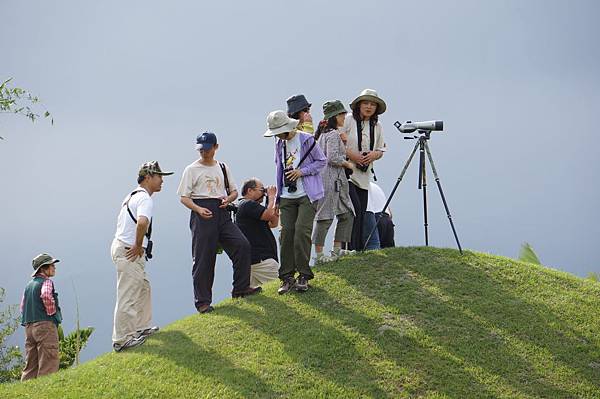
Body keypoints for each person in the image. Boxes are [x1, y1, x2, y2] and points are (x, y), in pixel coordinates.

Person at [178, 132, 260, 314]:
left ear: (215, 147)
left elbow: (234, 192)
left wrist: (227, 199)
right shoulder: (191, 169)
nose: (204, 153)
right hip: (201, 212)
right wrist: (198, 209)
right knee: (204, 258)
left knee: (242, 245)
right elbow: (184, 197)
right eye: (201, 149)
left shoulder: (222, 167)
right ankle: (203, 302)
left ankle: (241, 288)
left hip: (221, 210)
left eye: (207, 149)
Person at [111, 161, 172, 352]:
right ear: (148, 177)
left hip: (124, 248)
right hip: (129, 251)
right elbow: (142, 222)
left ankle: (141, 327)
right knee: (127, 294)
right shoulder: (145, 199)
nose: (162, 180)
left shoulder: (131, 195)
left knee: (143, 287)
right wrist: (138, 245)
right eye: (159, 176)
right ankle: (122, 339)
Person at [263, 110, 326, 294]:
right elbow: (279, 169)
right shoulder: (279, 144)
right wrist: (277, 199)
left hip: (307, 193)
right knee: (286, 234)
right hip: (287, 195)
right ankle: (286, 277)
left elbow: (322, 161)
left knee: (301, 232)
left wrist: (302, 172)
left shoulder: (306, 139)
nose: (278, 136)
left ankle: (304, 275)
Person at [343, 89, 387, 251]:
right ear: (359, 105)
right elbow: (335, 143)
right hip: (346, 173)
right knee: (352, 210)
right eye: (366, 103)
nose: (369, 107)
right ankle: (347, 248)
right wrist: (353, 155)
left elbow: (381, 149)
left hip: (365, 175)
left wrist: (373, 155)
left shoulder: (377, 126)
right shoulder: (348, 120)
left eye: (373, 104)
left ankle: (358, 249)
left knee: (362, 211)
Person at [312, 100, 355, 263]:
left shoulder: (324, 134)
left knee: (347, 214)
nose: (344, 117)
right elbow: (332, 158)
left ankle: (337, 251)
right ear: (334, 116)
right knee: (325, 217)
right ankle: (319, 256)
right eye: (341, 114)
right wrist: (347, 163)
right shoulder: (332, 134)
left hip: (336, 181)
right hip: (330, 181)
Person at [20, 253, 62, 381]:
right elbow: (46, 296)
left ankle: (26, 390)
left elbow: (22, 306)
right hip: (44, 325)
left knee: (31, 362)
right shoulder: (47, 282)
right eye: (52, 265)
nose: (54, 267)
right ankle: (46, 390)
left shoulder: (28, 285)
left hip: (29, 327)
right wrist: (52, 314)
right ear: (43, 268)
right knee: (49, 360)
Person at [235, 178, 280, 288]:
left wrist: (272, 203)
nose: (264, 194)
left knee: (252, 297)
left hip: (253, 261)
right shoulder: (247, 204)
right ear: (250, 190)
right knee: (279, 288)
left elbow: (273, 223)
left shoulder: (246, 208)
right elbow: (269, 215)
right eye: (261, 190)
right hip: (262, 260)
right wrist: (272, 196)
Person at [368, 182, 395, 248]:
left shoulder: (362, 186)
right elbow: (390, 212)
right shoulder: (376, 187)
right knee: (389, 252)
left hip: (375, 219)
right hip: (387, 219)